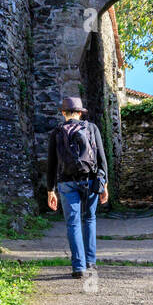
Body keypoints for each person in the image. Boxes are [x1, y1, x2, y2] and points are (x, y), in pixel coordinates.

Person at [46, 96, 109, 277]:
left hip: (66, 183)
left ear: (64, 113)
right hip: (90, 180)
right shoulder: (91, 128)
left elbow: (51, 165)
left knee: (73, 224)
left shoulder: (57, 132)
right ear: (81, 113)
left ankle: (78, 267)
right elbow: (101, 158)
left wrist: (51, 190)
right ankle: (90, 262)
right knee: (89, 219)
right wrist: (104, 184)